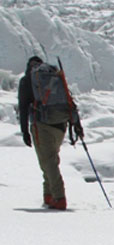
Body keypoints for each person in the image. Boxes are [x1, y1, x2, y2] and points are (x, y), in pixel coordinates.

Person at [18, 56, 83, 210]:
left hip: (42, 125)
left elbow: (23, 108)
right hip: (61, 125)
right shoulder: (54, 78)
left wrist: (25, 131)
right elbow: (69, 101)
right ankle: (48, 196)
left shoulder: (28, 80)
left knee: (48, 162)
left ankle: (59, 198)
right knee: (49, 159)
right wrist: (77, 125)